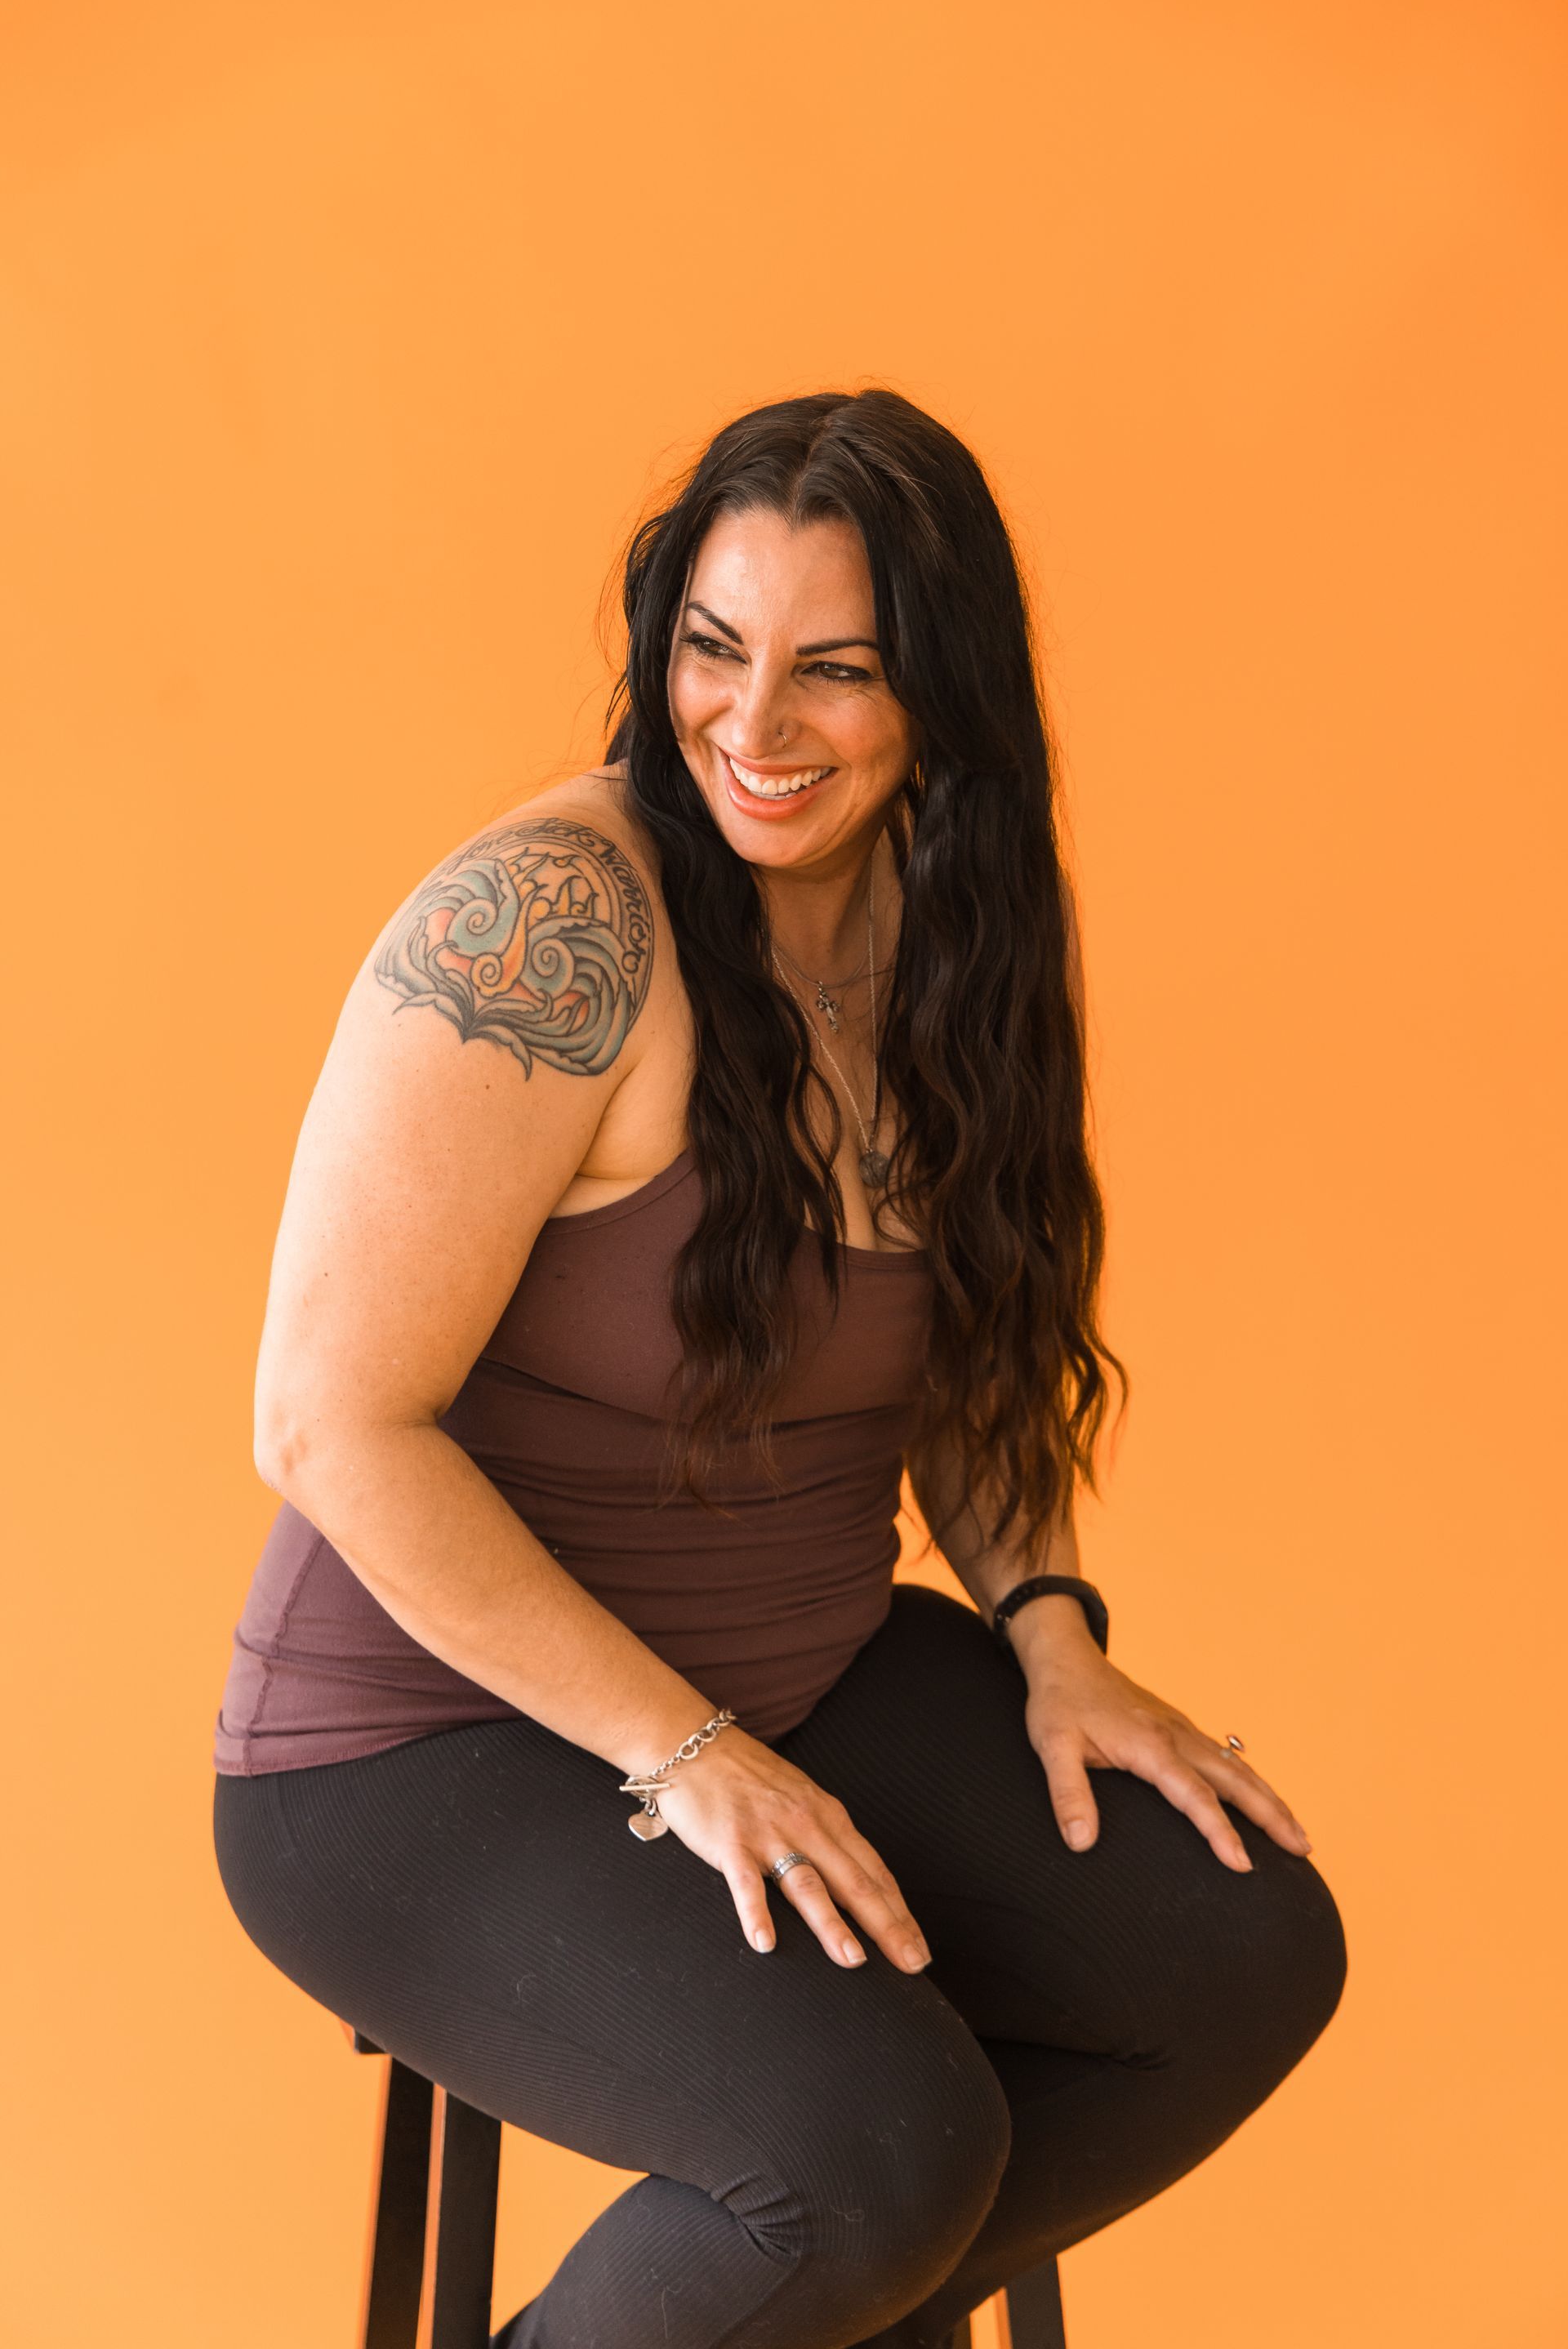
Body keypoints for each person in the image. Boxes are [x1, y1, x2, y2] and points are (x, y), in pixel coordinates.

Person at [211, 387, 1348, 2349]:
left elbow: (972, 1343)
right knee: (875, 2148)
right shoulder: (551, 926)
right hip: (426, 1745)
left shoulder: (960, 934)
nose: (753, 726)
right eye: (713, 650)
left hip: (790, 1679)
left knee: (1240, 1950)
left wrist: (1055, 1634)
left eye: (836, 670)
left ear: (942, 698)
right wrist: (687, 1754)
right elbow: (328, 1422)